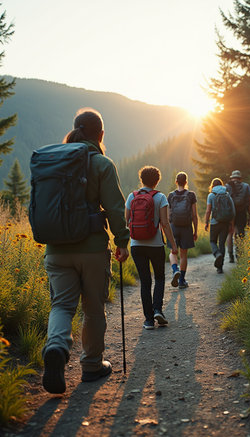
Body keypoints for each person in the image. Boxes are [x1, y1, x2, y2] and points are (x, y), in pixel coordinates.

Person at [41, 108, 130, 395]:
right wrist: (121, 241)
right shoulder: (102, 164)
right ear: (100, 134)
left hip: (56, 249)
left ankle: (55, 348)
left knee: (62, 306)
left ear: (75, 130)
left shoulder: (53, 163)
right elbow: (116, 208)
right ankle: (91, 365)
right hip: (91, 248)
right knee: (93, 307)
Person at [125, 166, 178, 330]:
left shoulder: (131, 196)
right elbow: (164, 223)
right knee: (160, 278)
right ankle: (157, 310)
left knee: (145, 281)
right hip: (155, 245)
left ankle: (148, 320)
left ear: (141, 179)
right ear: (157, 181)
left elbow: (126, 221)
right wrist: (173, 245)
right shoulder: (160, 197)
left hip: (136, 245)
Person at [167, 172, 198, 289]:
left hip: (173, 227)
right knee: (183, 254)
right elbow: (194, 215)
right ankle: (181, 280)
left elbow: (168, 214)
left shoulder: (170, 195)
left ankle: (175, 270)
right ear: (186, 182)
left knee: (172, 252)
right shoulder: (191, 195)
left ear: (176, 182)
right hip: (186, 227)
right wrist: (195, 231)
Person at [204, 178, 235, 274]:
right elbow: (232, 210)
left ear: (212, 186)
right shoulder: (227, 194)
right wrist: (231, 224)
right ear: (221, 185)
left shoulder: (211, 195)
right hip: (225, 223)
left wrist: (206, 222)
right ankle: (220, 268)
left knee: (213, 241)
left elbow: (208, 210)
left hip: (214, 223)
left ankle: (217, 254)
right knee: (222, 243)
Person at [226, 170, 250, 263]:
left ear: (232, 177)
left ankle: (230, 256)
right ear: (240, 178)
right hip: (242, 213)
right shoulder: (246, 186)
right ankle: (239, 255)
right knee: (240, 233)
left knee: (230, 233)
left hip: (230, 213)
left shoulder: (227, 186)